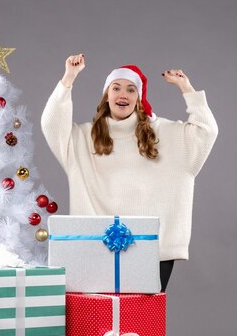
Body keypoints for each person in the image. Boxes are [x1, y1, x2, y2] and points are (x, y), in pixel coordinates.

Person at [41, 55, 218, 290]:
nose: (123, 94)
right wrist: (68, 79)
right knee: (102, 321)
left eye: (131, 89)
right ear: (107, 96)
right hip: (96, 246)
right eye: (116, 88)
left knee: (140, 322)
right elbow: (51, 125)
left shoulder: (164, 133)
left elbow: (206, 132)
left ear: (139, 98)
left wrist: (188, 89)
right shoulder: (83, 139)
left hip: (153, 250)